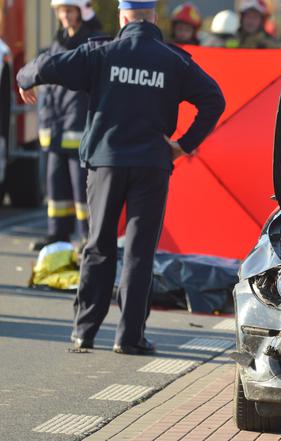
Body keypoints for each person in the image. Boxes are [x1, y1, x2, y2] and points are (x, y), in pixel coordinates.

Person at [17, 0, 225, 355]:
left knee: (98, 245)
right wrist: (183, 145)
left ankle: (84, 331)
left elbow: (47, 65)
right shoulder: (173, 61)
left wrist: (25, 79)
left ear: (122, 17)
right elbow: (214, 100)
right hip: (151, 165)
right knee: (140, 252)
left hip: (105, 164)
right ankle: (129, 338)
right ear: (154, 17)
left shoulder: (100, 53)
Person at [29, 0, 104, 252]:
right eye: (61, 11)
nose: (64, 16)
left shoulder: (92, 42)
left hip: (78, 128)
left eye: (68, 11)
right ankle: (57, 235)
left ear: (81, 12)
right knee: (55, 186)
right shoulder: (57, 41)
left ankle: (87, 238)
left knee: (81, 189)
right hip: (56, 127)